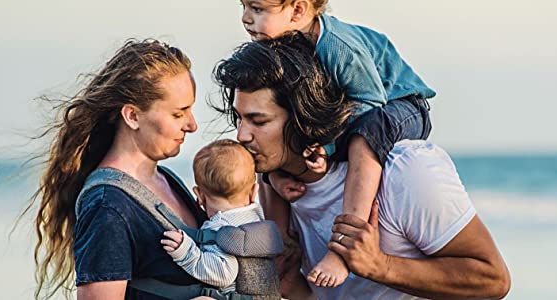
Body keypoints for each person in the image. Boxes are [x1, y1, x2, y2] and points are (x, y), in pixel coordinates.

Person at [212, 33, 511, 299]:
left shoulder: (407, 172)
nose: (241, 135)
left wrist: (380, 266)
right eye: (239, 118)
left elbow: (492, 279)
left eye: (258, 120)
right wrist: (297, 291)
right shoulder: (273, 188)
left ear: (304, 117)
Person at [238, 0, 436, 288]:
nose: (245, 18)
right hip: (359, 109)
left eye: (257, 9)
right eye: (243, 7)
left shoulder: (337, 47)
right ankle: (283, 245)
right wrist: (278, 173)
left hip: (401, 105)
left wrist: (327, 145)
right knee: (274, 138)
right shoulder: (283, 45)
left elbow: (371, 103)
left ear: (297, 10)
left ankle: (343, 249)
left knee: (363, 139)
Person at [27, 39, 209, 299]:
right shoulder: (108, 205)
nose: (192, 125)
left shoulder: (167, 180)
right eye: (178, 114)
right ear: (133, 116)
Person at [159, 139, 263, 293]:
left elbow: (223, 274)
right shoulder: (256, 216)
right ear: (254, 191)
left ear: (199, 195)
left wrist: (187, 253)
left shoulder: (220, 228)